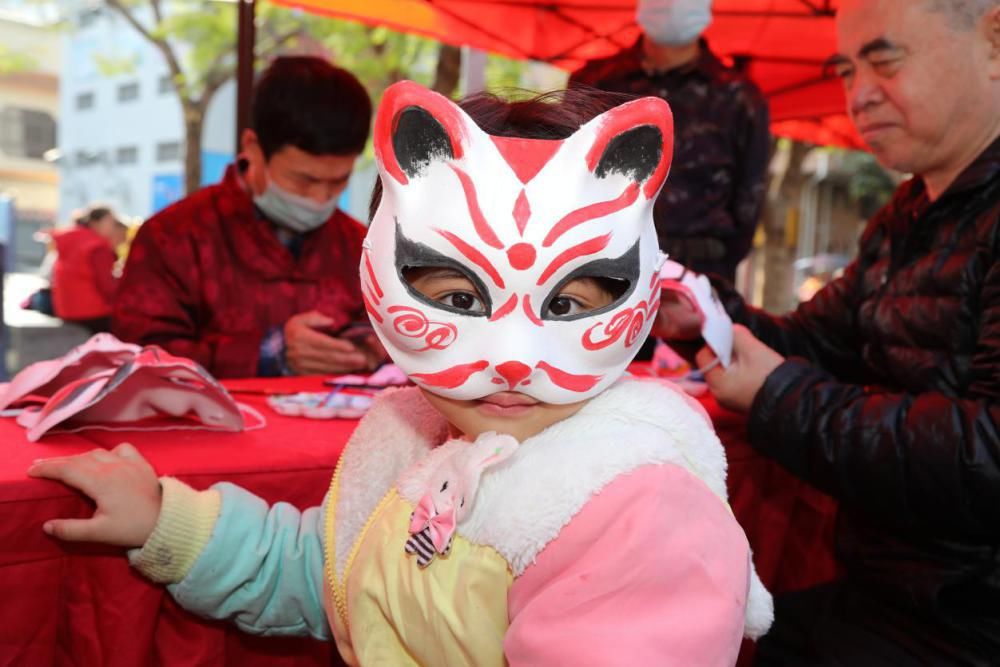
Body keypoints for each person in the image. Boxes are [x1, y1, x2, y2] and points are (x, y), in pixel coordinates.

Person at [28, 82, 774, 665]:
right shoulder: (417, 437)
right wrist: (165, 517)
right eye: (457, 297)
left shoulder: (637, 517)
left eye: (571, 301)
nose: (513, 354)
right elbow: (332, 568)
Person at [655, 0, 1000, 662]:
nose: (858, 95)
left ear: (992, 42)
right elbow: (814, 342)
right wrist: (706, 319)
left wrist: (778, 393)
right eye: (845, 68)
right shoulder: (907, 214)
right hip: (882, 588)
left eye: (884, 60)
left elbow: (988, 451)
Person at [112, 56, 382, 379]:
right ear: (253, 148)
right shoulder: (172, 238)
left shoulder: (359, 244)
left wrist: (370, 347)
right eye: (304, 180)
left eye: (339, 180)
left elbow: (396, 332)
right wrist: (269, 352)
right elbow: (136, 360)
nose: (320, 198)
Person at [570, 0, 770, 283]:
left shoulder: (741, 99)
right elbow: (570, 181)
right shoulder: (593, 84)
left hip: (700, 275)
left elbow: (749, 203)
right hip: (603, 267)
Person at [50, 206, 123, 333]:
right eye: (110, 222)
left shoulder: (72, 239)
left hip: (66, 310)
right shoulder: (96, 246)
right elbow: (108, 287)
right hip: (93, 313)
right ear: (96, 223)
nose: (113, 227)